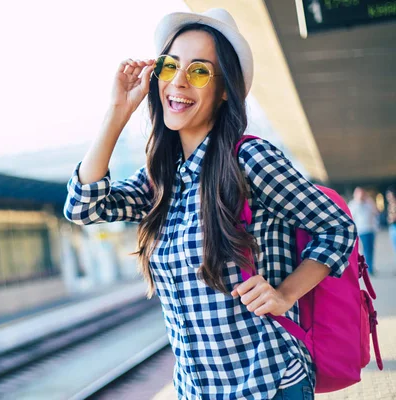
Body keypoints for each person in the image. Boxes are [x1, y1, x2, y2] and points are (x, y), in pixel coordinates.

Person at [64, 8, 356, 400]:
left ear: (223, 91)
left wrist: (285, 294)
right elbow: (84, 207)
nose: (179, 82)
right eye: (170, 67)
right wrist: (117, 112)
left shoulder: (250, 160)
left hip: (266, 383)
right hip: (197, 390)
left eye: (199, 71)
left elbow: (337, 226)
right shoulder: (162, 178)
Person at [348, 187, 379, 275]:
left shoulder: (369, 202)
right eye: (359, 193)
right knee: (364, 250)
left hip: (371, 229)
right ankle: (365, 269)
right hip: (361, 230)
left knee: (371, 249)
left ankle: (370, 267)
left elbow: (376, 212)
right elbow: (350, 217)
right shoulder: (353, 204)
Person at [386, 185, 396, 267]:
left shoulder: (394, 204)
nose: (388, 197)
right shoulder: (390, 205)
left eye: (389, 195)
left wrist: (392, 218)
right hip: (392, 227)